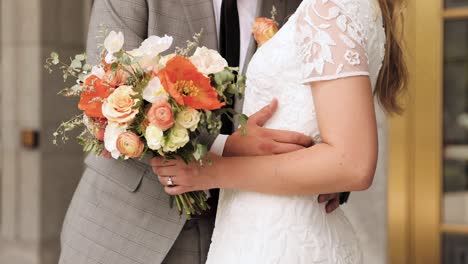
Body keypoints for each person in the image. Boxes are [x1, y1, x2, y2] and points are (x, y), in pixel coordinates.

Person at [58, 0, 346, 263]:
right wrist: (227, 146)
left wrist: (329, 169)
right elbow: (104, 97)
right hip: (126, 230)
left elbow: (327, 108)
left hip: (250, 235)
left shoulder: (304, 5)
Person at [151, 0, 408, 263]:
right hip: (271, 224)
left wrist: (211, 171)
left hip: (277, 236)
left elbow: (352, 164)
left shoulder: (328, 9)